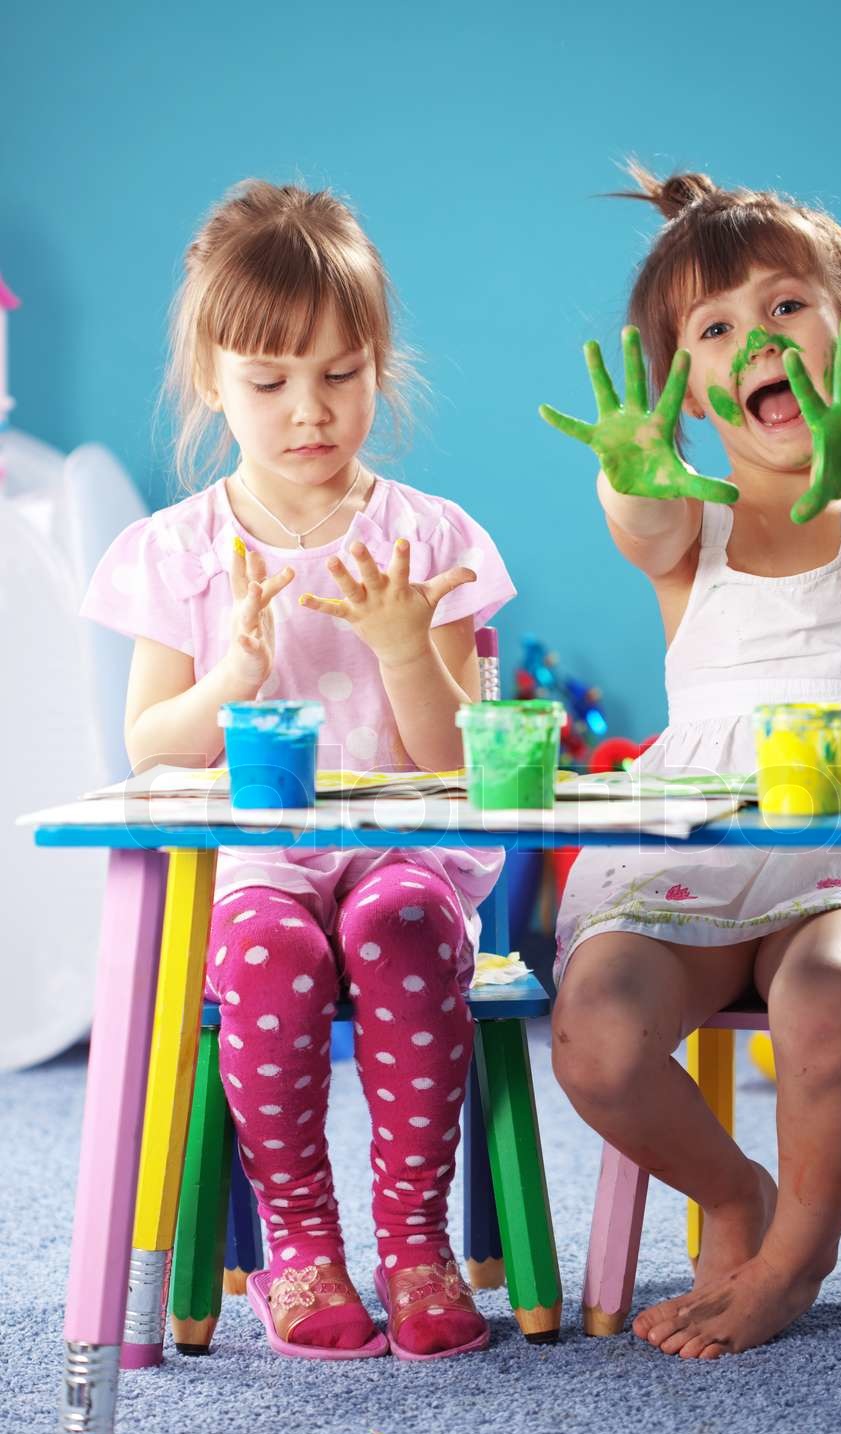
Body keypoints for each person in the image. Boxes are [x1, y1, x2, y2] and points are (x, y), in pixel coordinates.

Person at [541, 164, 841, 1360]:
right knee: (594, 1033)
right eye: (715, 329)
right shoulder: (685, 533)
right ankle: (732, 1193)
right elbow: (639, 516)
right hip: (703, 856)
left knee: (821, 996)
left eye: (783, 306)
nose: (757, 337)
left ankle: (793, 1262)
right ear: (688, 394)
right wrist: (625, 472)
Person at [82, 179, 516, 1361]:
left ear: (381, 364)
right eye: (268, 382)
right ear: (212, 383)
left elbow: (459, 760)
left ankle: (415, 1246)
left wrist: (397, 649)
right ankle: (303, 1248)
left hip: (403, 846)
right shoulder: (182, 549)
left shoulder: (428, 539)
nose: (308, 410)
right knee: (268, 954)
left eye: (340, 373)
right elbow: (149, 741)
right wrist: (230, 678)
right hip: (257, 860)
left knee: (411, 926)